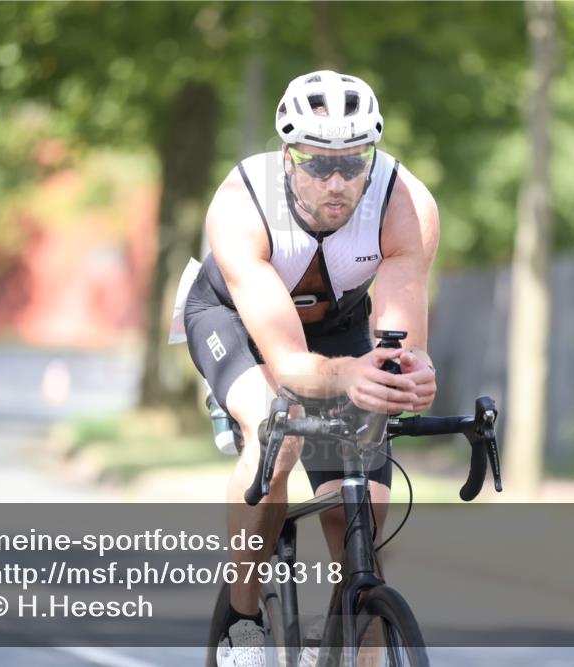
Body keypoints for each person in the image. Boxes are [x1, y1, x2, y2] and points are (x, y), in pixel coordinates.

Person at [181, 70, 439, 667]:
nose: (337, 180)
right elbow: (292, 364)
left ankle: (358, 631)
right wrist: (347, 376)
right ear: (286, 154)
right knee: (279, 430)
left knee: (362, 510)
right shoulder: (242, 204)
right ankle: (242, 622)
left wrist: (412, 373)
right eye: (317, 163)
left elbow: (402, 339)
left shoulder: (406, 203)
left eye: (353, 162)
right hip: (238, 323)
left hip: (340, 326)